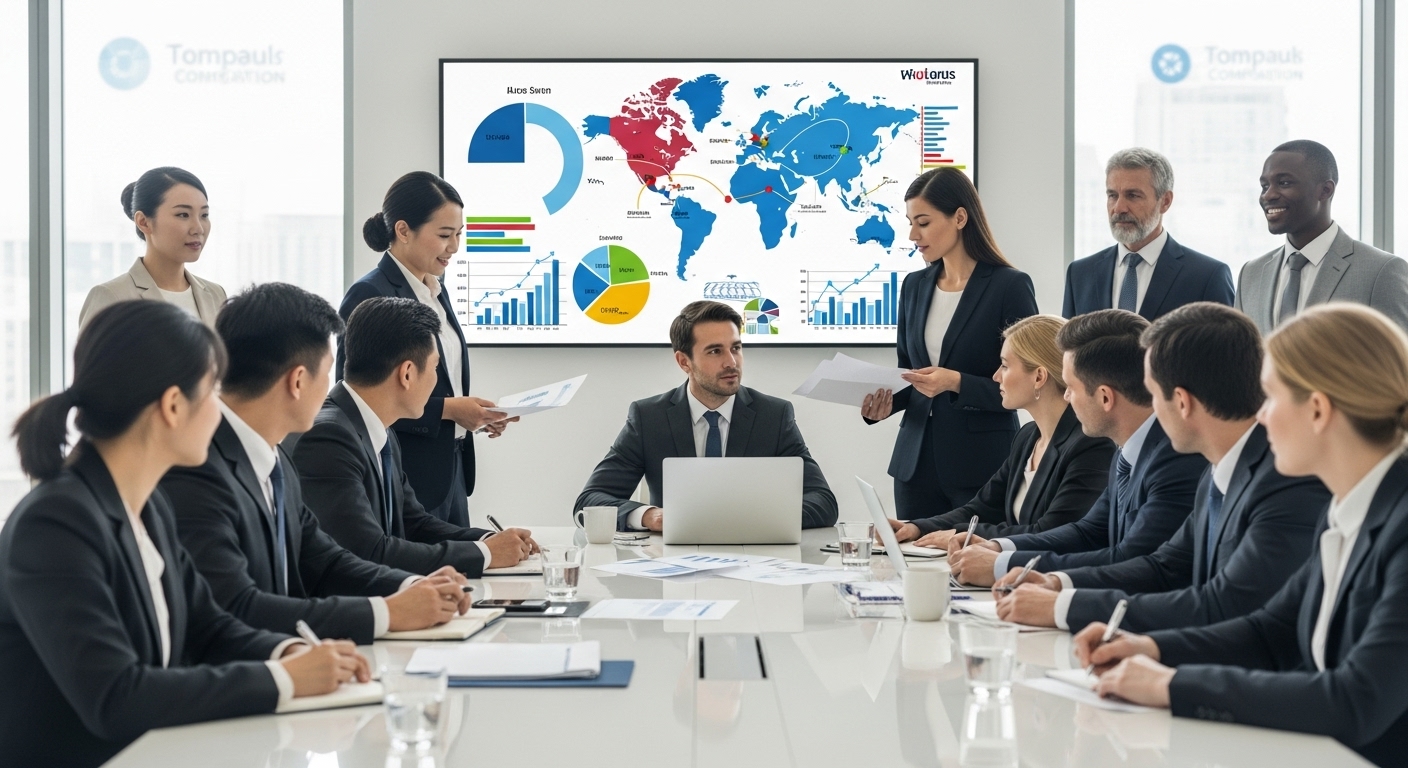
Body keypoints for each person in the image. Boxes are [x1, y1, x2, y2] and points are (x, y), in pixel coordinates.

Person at [0, 301, 367, 767]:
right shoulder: (53, 524)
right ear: (173, 406)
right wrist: (287, 679)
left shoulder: (148, 505)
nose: (221, 409)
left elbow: (207, 625)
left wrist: (292, 650)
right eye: (210, 391)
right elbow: (117, 697)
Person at [1079, 304, 1408, 767]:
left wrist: (1170, 686)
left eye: (1270, 398)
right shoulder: (1347, 506)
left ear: (1317, 410)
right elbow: (1270, 631)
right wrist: (1151, 647)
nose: (1262, 416)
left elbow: (1356, 699)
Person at [160, 284, 471, 646]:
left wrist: (413, 586)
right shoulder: (197, 468)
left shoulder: (274, 460)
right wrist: (388, 613)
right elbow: (235, 606)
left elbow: (325, 561)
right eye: (325, 374)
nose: (330, 389)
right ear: (297, 381)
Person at [993, 303, 1329, 631]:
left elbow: (1224, 604)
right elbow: (1164, 565)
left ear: (1181, 402)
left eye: (1153, 394)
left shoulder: (1285, 482)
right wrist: (1057, 582)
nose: (1149, 410)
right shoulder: (1218, 469)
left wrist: (1064, 605)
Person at [947, 310, 1205, 586]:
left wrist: (1004, 566)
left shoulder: (1175, 457)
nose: (1066, 396)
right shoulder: (1129, 447)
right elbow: (1088, 531)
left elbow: (1132, 558)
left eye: (1070, 387)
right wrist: (1000, 547)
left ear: (1105, 397)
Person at [292, 297, 536, 576]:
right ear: (407, 373)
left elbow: (414, 523)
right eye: (434, 368)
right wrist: (485, 554)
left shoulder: (379, 428)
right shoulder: (330, 438)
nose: (437, 381)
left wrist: (488, 541)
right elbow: (368, 551)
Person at [860, 168, 1040, 519]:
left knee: (972, 567)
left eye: (923, 223)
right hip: (914, 467)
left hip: (982, 468)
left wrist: (955, 382)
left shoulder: (1009, 286)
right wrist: (883, 405)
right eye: (910, 222)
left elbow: (1032, 383)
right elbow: (909, 374)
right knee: (914, 565)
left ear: (960, 217)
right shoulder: (914, 285)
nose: (913, 234)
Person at [339, 171, 513, 528]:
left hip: (452, 471)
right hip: (406, 473)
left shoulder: (434, 289)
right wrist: (450, 411)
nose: (455, 247)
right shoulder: (369, 295)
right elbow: (357, 399)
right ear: (403, 231)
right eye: (445, 235)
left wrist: (475, 415)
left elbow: (441, 380)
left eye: (459, 235)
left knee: (462, 574)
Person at [576, 300, 837, 531]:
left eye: (735, 348)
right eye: (715, 351)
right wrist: (648, 516)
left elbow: (823, 502)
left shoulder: (774, 415)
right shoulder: (649, 418)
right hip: (673, 568)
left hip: (754, 566)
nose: (731, 363)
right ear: (684, 362)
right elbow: (590, 500)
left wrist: (750, 518)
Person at [888, 315, 1115, 546]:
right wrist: (917, 527)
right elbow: (980, 509)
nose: (996, 376)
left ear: (1039, 377)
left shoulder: (1091, 444)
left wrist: (961, 535)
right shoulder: (1028, 437)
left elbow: (1050, 531)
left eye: (1005, 366)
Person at [1235, 139, 1408, 335]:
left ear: (1325, 190)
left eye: (1284, 183)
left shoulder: (1381, 272)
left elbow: (1399, 361)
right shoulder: (1250, 274)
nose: (1268, 195)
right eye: (1265, 186)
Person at [1062, 148, 1234, 320]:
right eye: (1113, 195)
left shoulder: (1206, 277)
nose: (1119, 208)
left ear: (1165, 201)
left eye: (1133, 195)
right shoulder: (1080, 275)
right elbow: (1067, 346)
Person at [79, 167, 227, 330]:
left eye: (204, 215)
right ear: (143, 222)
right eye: (183, 215)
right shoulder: (112, 297)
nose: (198, 228)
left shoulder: (215, 295)